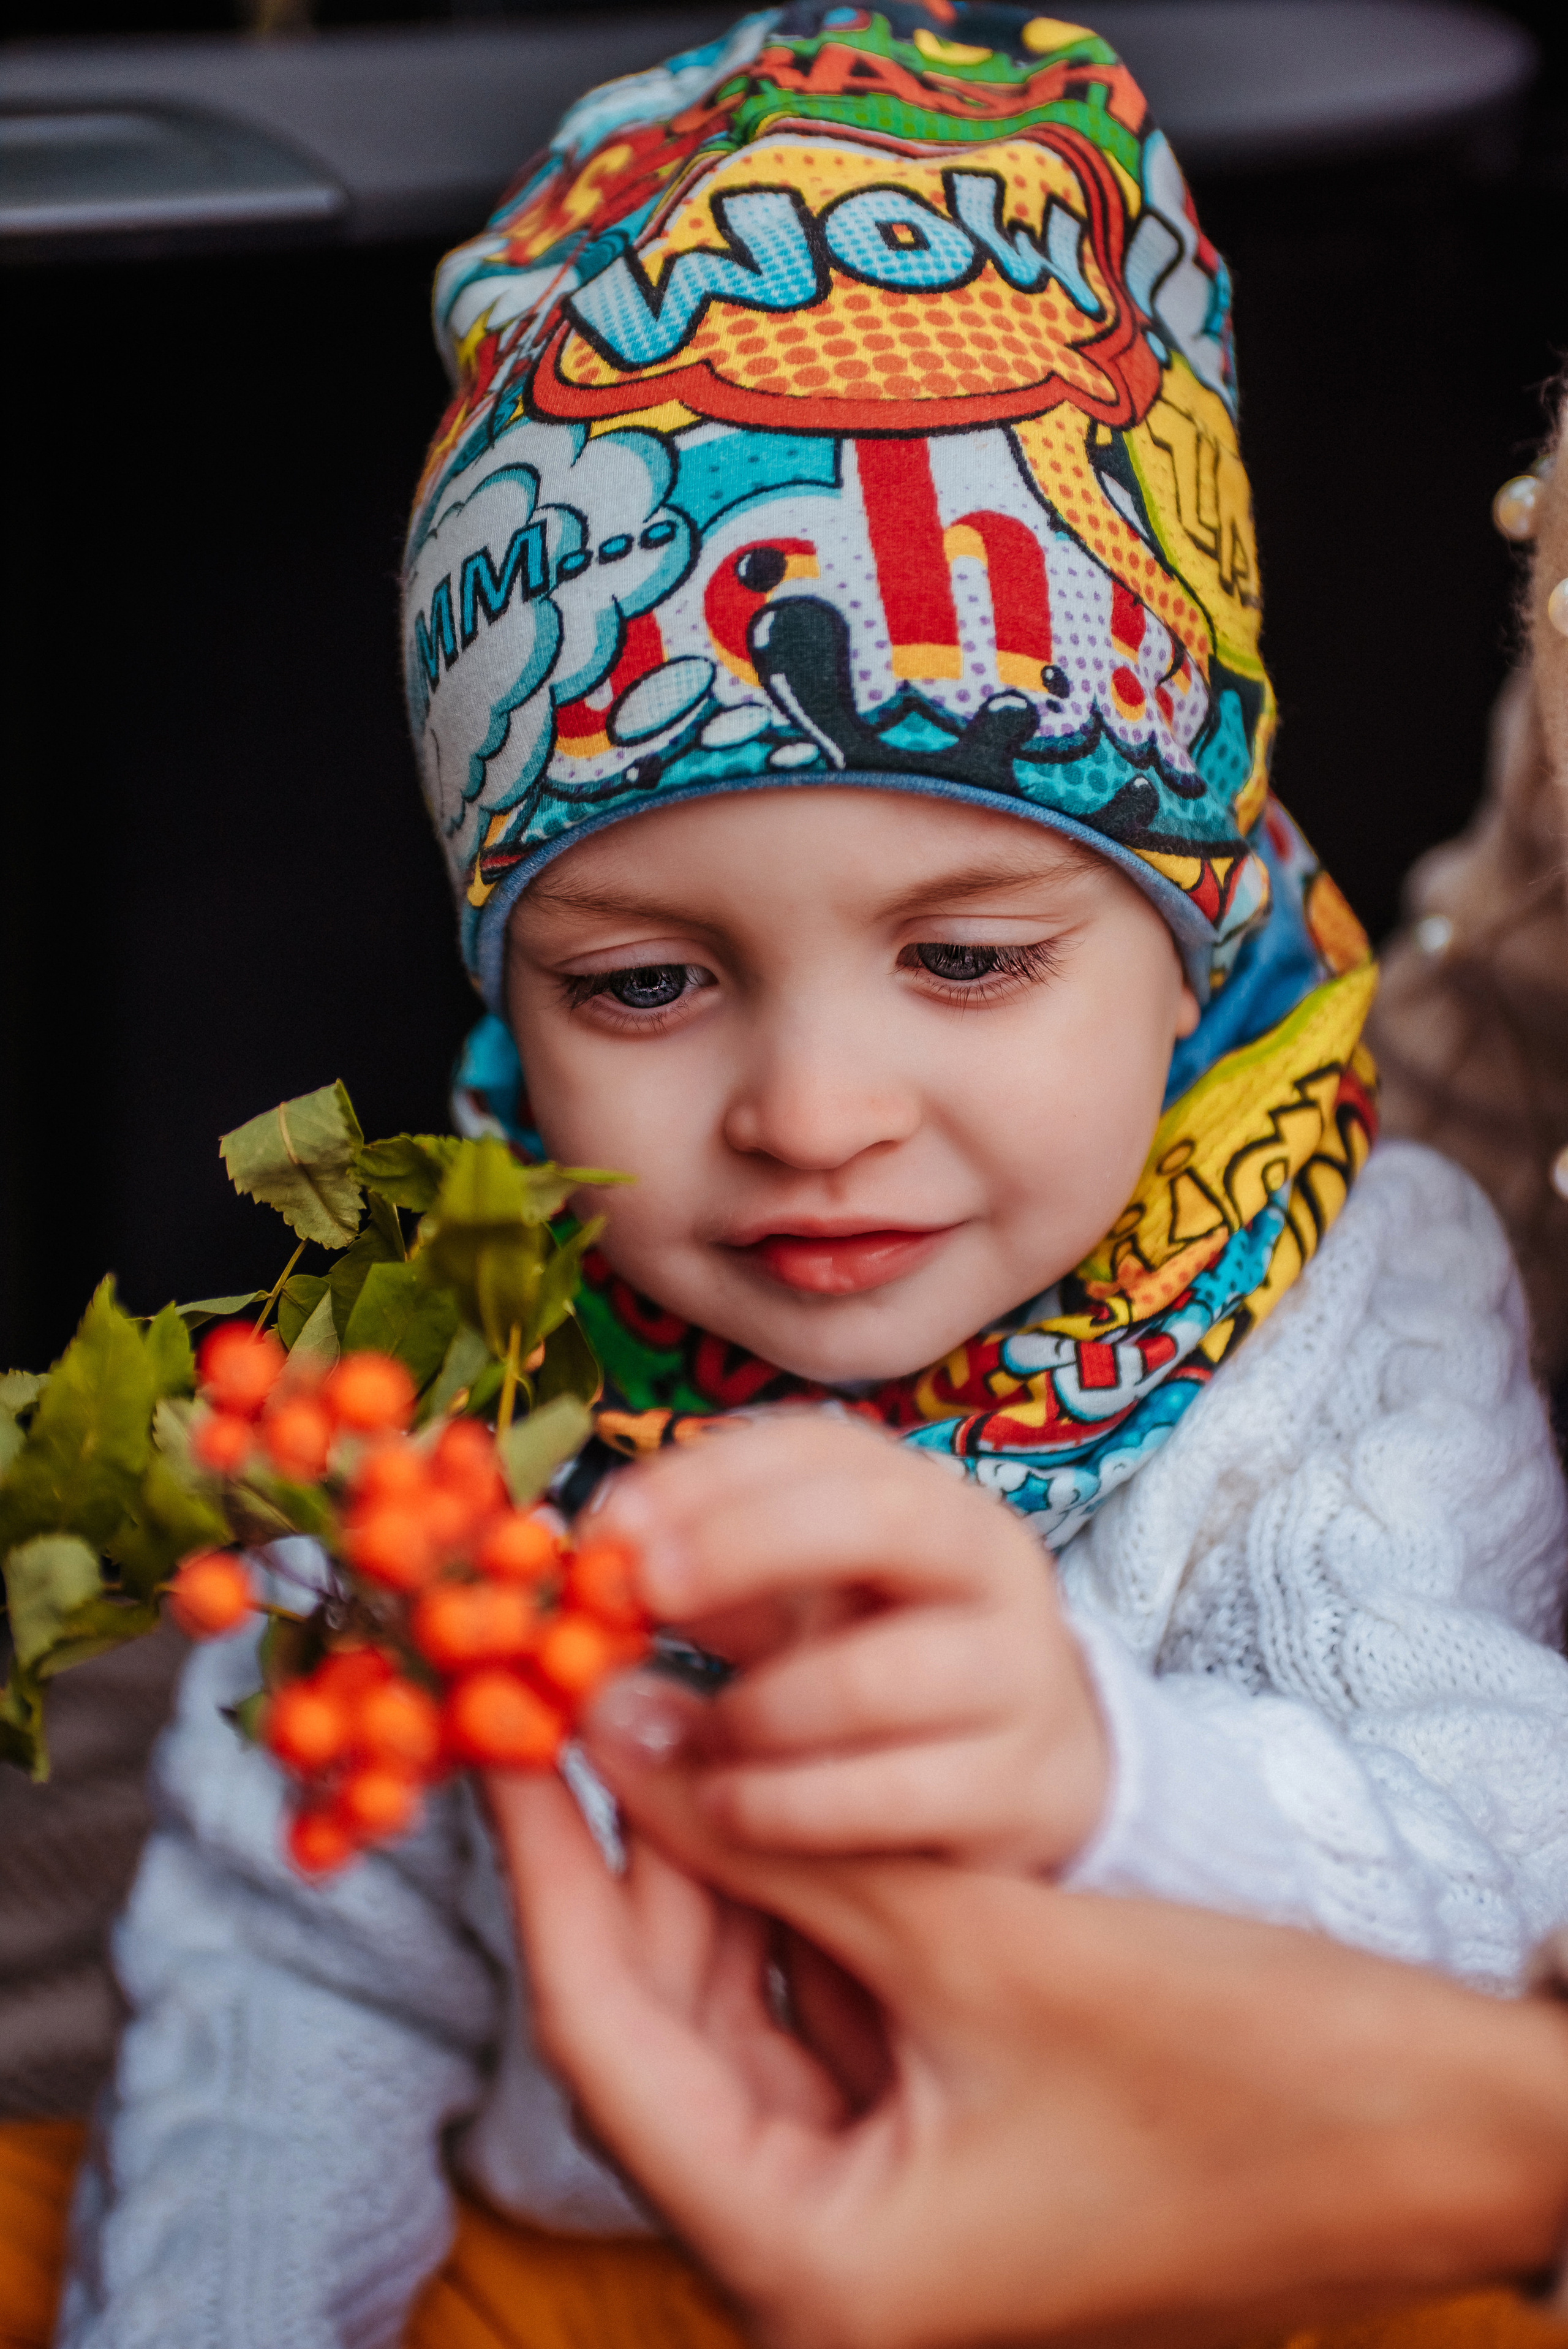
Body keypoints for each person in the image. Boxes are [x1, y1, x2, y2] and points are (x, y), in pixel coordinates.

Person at [46, 7, 1568, 2347]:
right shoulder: (440, 1395)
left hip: (1215, 2256)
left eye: (966, 954)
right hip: (582, 2244)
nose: (812, 1111)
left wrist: (1110, 1778)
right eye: (647, 988)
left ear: (1195, 938)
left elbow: (1494, 1873)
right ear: (504, 984)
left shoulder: (1349, 1305)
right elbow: (291, 1981)